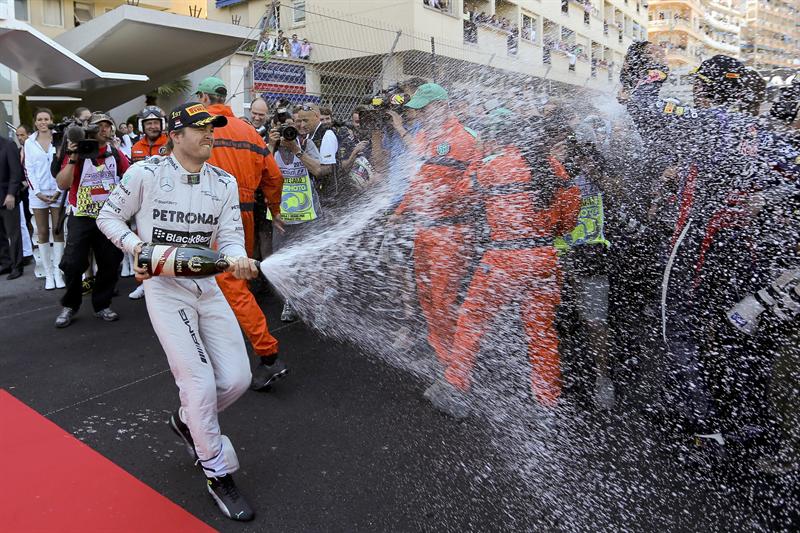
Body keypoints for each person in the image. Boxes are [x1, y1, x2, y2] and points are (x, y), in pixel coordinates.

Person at [97, 102, 257, 521]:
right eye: (200, 128)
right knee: (199, 384)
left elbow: (231, 236)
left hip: (207, 287)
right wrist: (138, 248)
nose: (210, 134)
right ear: (176, 134)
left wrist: (238, 258)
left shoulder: (223, 182)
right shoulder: (144, 173)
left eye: (213, 128)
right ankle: (217, 472)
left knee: (239, 378)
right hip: (165, 292)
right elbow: (108, 217)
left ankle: (188, 422)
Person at [389, 83, 482, 410]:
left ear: (442, 105)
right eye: (419, 109)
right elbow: (416, 182)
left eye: (425, 108)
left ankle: (459, 374)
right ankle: (446, 361)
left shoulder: (466, 139)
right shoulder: (422, 138)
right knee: (428, 298)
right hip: (424, 231)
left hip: (451, 234)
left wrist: (444, 203)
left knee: (443, 299)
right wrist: (401, 211)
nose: (419, 114)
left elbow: (472, 188)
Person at [194, 77, 288, 392]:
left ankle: (269, 354)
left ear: (205, 98)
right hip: (244, 215)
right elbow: (273, 176)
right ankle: (222, 350)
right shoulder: (249, 132)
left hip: (212, 218)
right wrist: (274, 210)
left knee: (231, 287)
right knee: (227, 283)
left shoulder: (202, 128)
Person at [53, 112, 128, 328]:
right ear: (91, 130)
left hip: (109, 217)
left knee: (111, 261)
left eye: (108, 126)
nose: (105, 130)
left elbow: (130, 174)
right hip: (81, 217)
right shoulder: (79, 151)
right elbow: (62, 184)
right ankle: (70, 305)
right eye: (100, 126)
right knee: (72, 263)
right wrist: (74, 157)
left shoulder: (114, 152)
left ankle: (102, 304)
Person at [25, 108, 64, 289]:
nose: (42, 122)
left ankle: (58, 272)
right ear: (35, 122)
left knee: (58, 231)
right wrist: (38, 192)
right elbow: (28, 169)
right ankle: (48, 275)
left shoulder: (60, 138)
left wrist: (58, 189)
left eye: (46, 119)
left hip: (58, 191)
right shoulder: (29, 142)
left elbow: (64, 164)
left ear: (51, 120)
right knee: (41, 232)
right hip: (38, 194)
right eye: (39, 119)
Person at [295, 104, 339, 206]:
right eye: (299, 121)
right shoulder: (309, 135)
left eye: (305, 120)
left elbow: (324, 170)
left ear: (316, 116)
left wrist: (296, 150)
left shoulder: (327, 134)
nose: (302, 125)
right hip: (316, 198)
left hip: (329, 200)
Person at [0, 135, 24, 280]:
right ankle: (5, 263)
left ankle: (17, 266)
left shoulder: (8, 145)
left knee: (13, 234)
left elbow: (16, 173)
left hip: (7, 198)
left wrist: (11, 194)